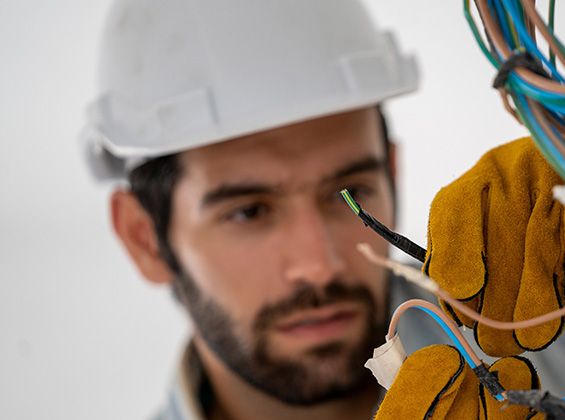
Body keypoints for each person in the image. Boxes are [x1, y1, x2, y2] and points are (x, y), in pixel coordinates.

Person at [81, 1, 444, 419]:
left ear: (393, 176)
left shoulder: (529, 330)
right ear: (144, 239)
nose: (319, 266)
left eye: (352, 192)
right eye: (250, 212)